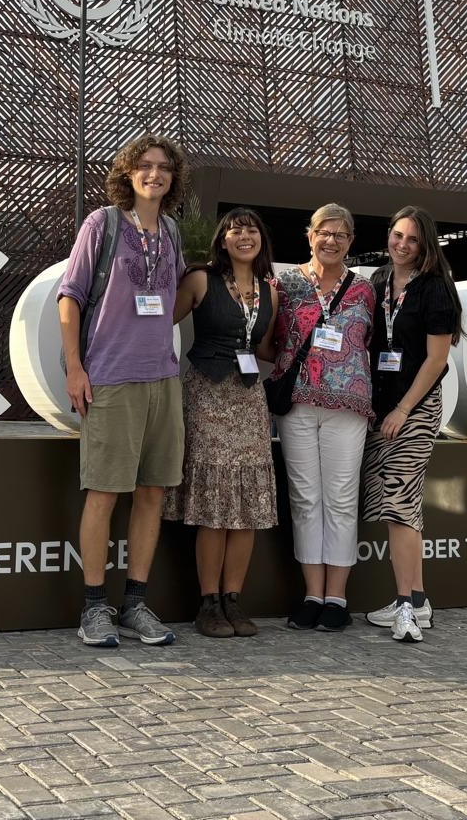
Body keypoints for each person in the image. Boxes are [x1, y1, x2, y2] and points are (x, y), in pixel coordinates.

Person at [57, 133, 186, 648]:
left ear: (173, 179)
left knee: (152, 492)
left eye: (163, 168)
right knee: (105, 492)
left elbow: (171, 296)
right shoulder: (103, 223)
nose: (154, 174)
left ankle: (134, 602)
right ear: (128, 174)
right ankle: (94, 606)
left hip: (163, 378)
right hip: (109, 376)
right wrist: (75, 367)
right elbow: (70, 297)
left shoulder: (172, 231)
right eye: (145, 166)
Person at [163, 207, 279, 639]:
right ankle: (208, 603)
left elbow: (266, 346)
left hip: (249, 398)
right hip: (207, 394)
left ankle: (233, 599)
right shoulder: (199, 279)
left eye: (251, 228)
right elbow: (159, 325)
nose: (244, 235)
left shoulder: (271, 290)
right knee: (215, 506)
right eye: (234, 229)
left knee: (245, 507)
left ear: (261, 239)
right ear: (222, 240)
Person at [267, 203, 375, 633]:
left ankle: (338, 597)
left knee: (342, 498)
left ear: (350, 242)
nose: (331, 241)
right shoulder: (285, 283)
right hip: (296, 404)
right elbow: (269, 338)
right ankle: (313, 594)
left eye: (341, 235)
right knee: (306, 497)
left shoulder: (366, 289)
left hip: (348, 406)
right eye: (323, 232)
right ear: (309, 235)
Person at [362, 205, 462, 644]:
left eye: (412, 239)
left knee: (399, 500)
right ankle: (418, 599)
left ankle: (405, 607)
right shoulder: (379, 282)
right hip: (381, 408)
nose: (402, 244)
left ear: (426, 245)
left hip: (415, 409)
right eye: (397, 235)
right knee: (402, 502)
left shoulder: (436, 288)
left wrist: (404, 409)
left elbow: (437, 359)